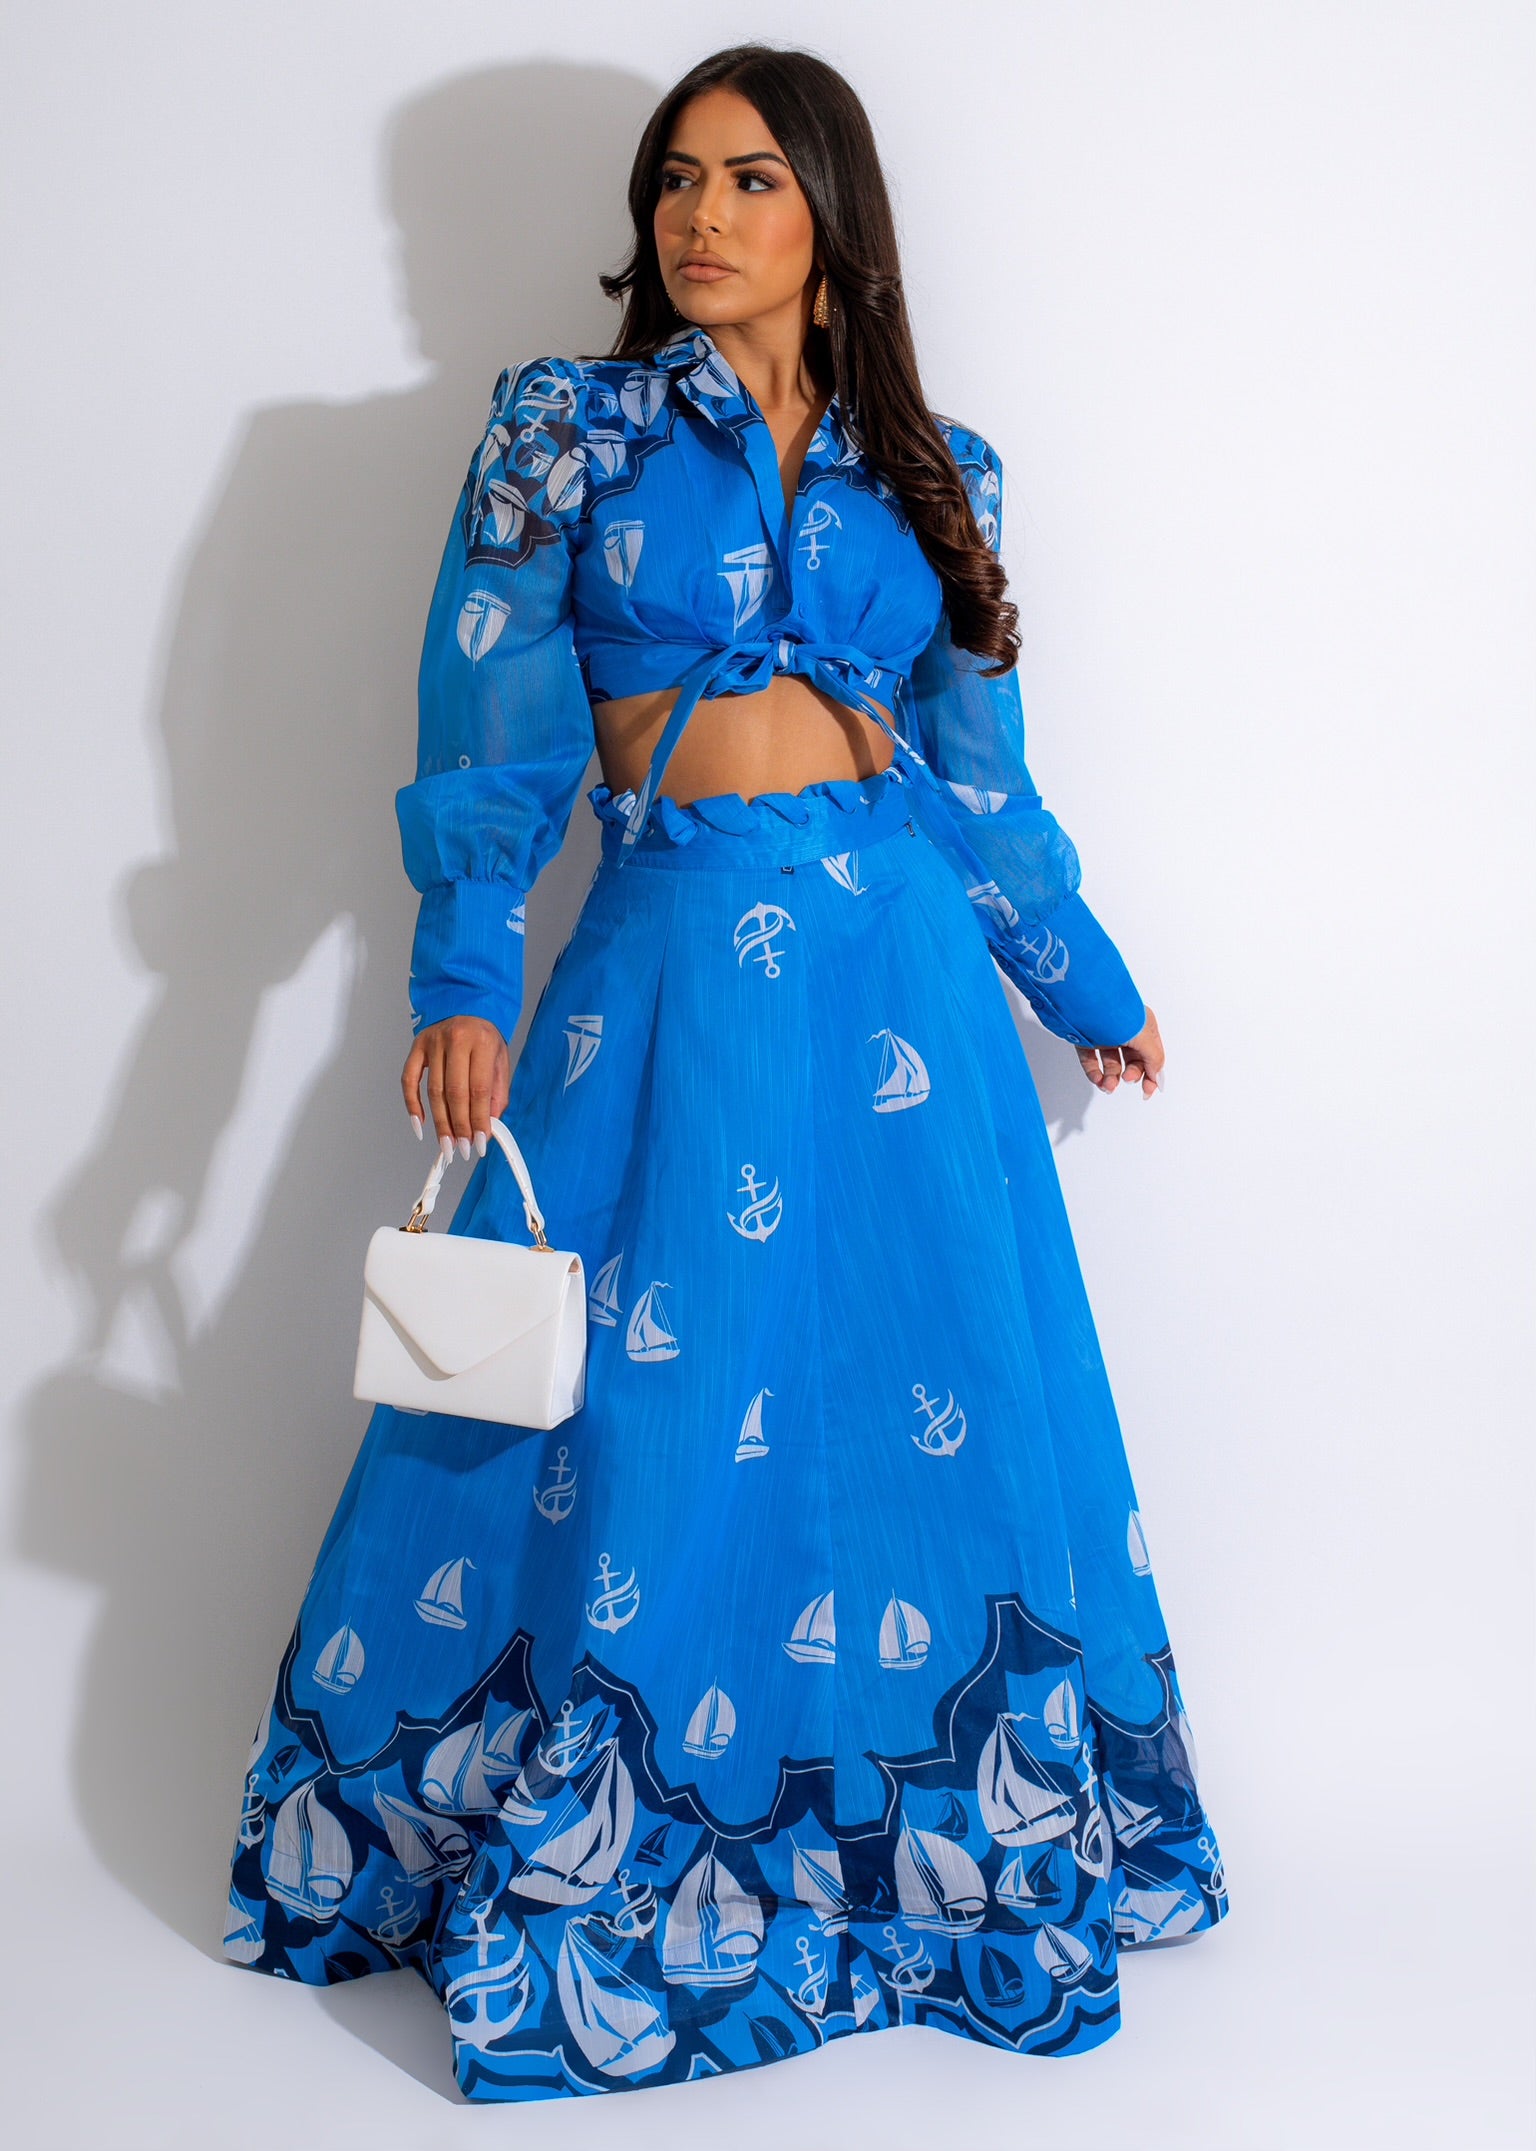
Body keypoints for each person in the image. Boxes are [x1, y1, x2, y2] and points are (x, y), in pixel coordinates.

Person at [223, 41, 1228, 2102]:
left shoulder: (942, 468)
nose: (698, 216)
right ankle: (599, 1839)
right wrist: (463, 974)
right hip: (670, 968)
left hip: (903, 984)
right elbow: (490, 732)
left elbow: (979, 779)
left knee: (921, 1401)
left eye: (752, 179)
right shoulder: (562, 434)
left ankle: (922, 1856)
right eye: (675, 179)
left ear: (833, 218)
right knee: (631, 1404)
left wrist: (1082, 977)